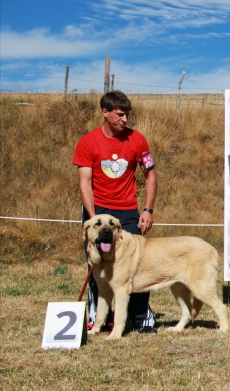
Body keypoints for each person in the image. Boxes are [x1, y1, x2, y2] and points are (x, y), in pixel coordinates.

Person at [72, 91, 158, 334]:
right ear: (105, 112)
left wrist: (147, 209)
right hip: (98, 211)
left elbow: (150, 175)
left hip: (128, 212)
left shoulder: (138, 140)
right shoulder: (88, 142)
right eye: (120, 114)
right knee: (97, 264)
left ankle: (141, 316)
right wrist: (93, 219)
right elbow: (84, 183)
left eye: (127, 115)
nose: (125, 119)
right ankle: (100, 316)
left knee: (139, 264)